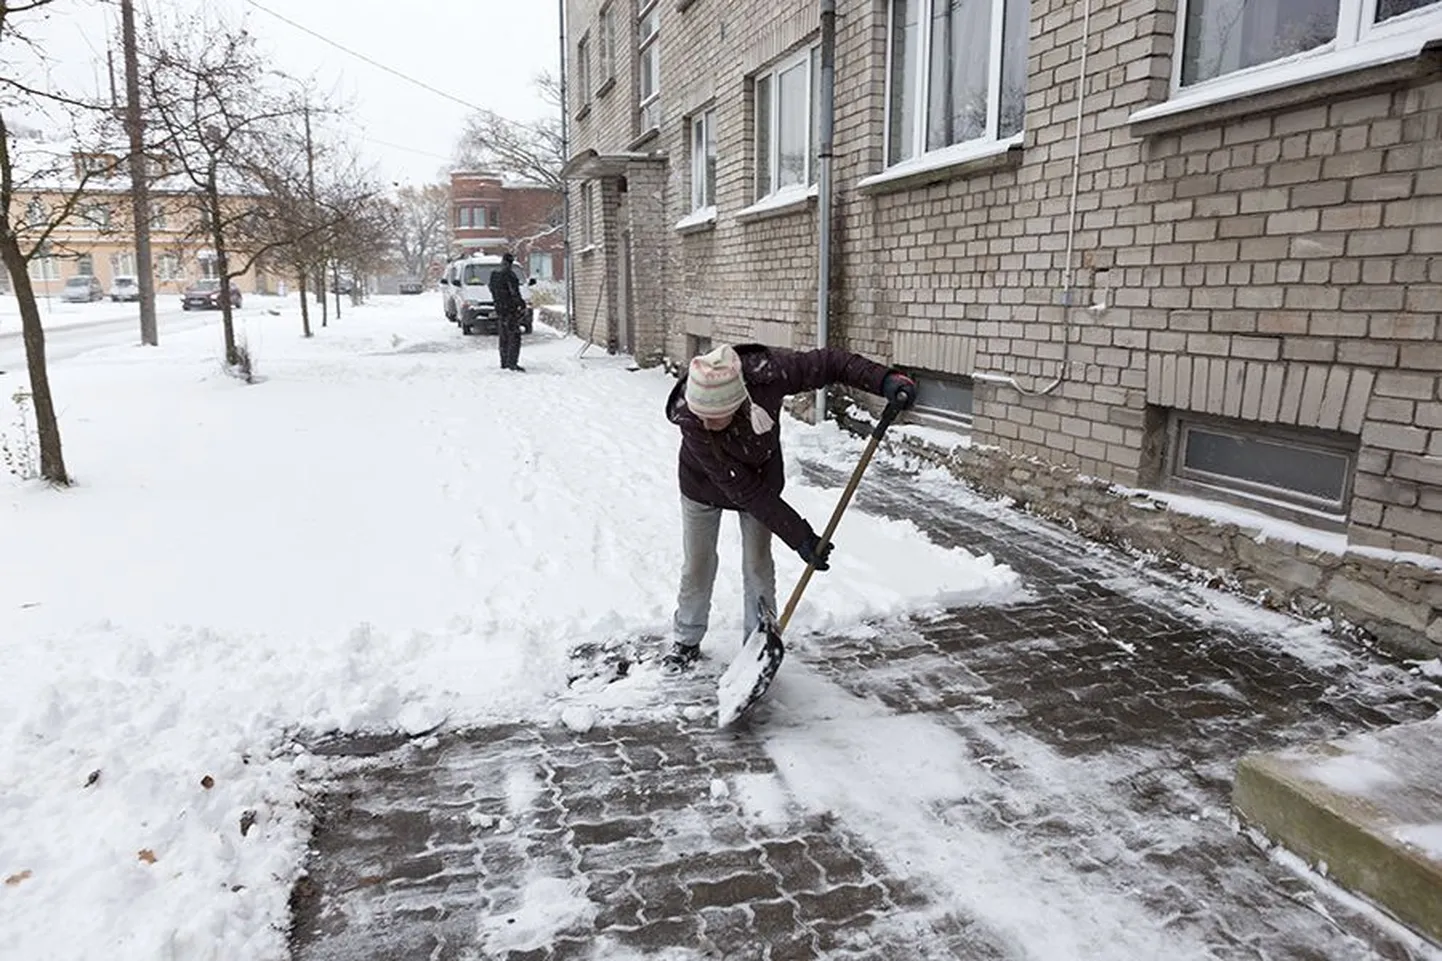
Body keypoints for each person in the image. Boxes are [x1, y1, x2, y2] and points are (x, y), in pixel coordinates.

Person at [661, 342, 916, 673]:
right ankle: (686, 639)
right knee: (698, 562)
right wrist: (800, 536)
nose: (704, 423)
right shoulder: (691, 419)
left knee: (757, 564)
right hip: (703, 484)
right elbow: (743, 489)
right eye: (701, 416)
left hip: (759, 477)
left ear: (736, 400)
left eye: (713, 417)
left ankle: (756, 647)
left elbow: (830, 362)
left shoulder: (769, 374)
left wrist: (884, 380)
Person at [488, 252, 525, 371]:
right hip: (510, 310)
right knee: (514, 336)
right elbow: (514, 293)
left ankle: (504, 362)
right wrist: (521, 304)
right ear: (511, 262)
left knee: (503, 336)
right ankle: (512, 363)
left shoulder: (494, 275)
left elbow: (492, 290)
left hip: (500, 309)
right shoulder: (509, 275)